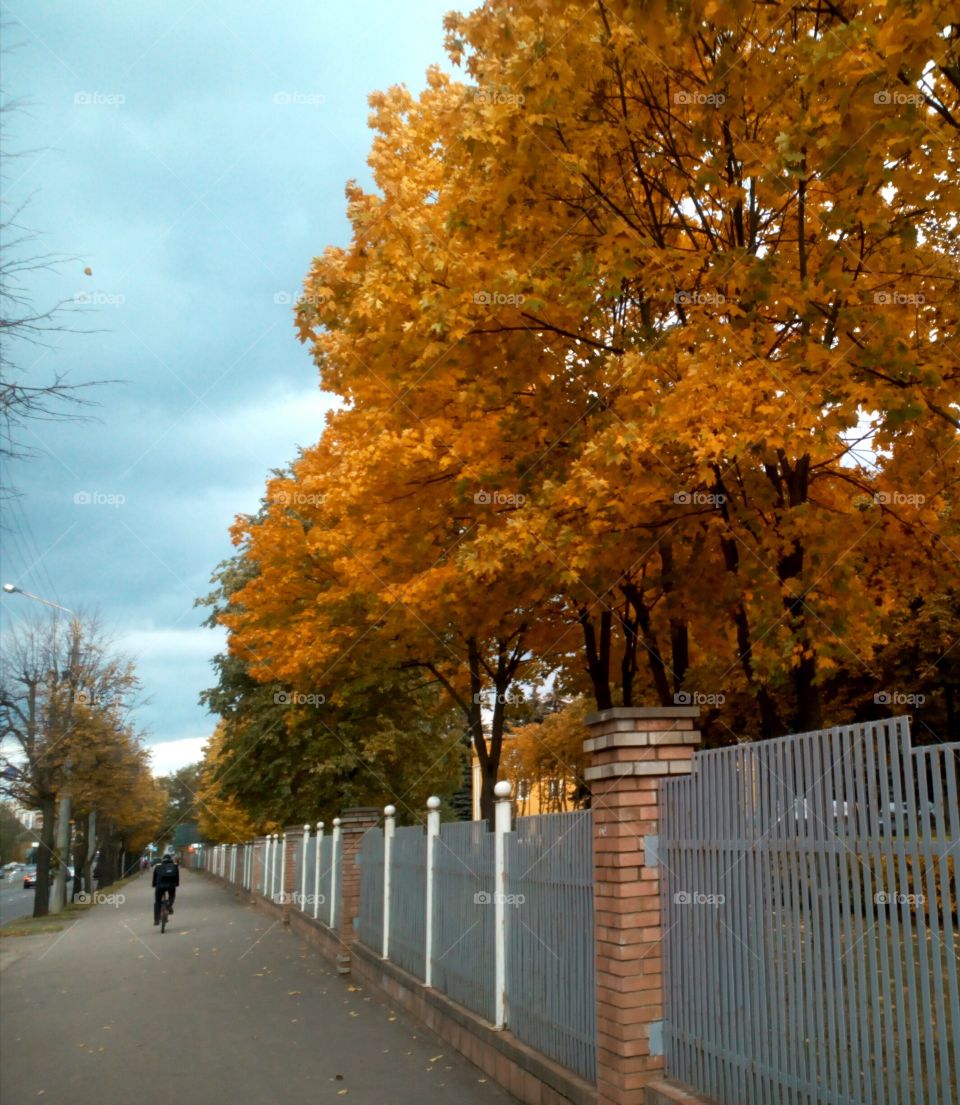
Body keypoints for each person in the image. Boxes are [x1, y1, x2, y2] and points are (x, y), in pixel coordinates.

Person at [152, 848, 180, 925]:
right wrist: (176, 884)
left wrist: (154, 885)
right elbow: (177, 877)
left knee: (157, 901)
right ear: (171, 859)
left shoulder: (158, 866)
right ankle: (169, 905)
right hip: (171, 885)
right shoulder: (175, 866)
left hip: (160, 886)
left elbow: (154, 877)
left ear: (162, 860)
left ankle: (156, 919)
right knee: (172, 895)